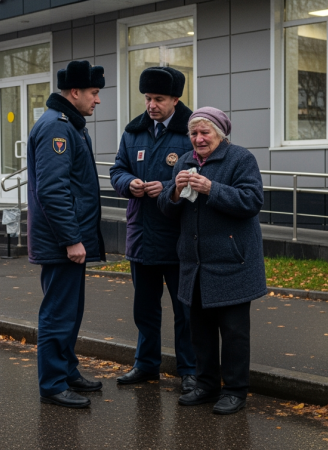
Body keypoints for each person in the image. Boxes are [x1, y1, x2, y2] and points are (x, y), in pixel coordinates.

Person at [157, 107, 266, 415]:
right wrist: (176, 190)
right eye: (194, 133)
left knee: (233, 332)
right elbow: (166, 206)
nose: (199, 139)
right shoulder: (185, 161)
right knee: (200, 331)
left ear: (220, 134)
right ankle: (206, 385)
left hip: (232, 263)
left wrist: (211, 188)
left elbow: (252, 201)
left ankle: (234, 390)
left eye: (205, 132)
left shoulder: (240, 159)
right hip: (195, 264)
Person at [109, 66, 197, 393]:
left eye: (158, 99)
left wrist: (168, 186)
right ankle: (146, 365)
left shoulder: (191, 133)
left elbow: (198, 174)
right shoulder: (133, 132)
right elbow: (117, 168)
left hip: (177, 238)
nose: (151, 105)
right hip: (142, 237)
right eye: (147, 98)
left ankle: (190, 370)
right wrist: (127, 183)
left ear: (176, 98)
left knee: (184, 310)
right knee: (144, 309)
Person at [27, 60, 106, 409]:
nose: (97, 100)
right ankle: (53, 383)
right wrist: (72, 239)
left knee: (70, 313)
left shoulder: (71, 124)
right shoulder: (57, 128)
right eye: (93, 93)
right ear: (74, 92)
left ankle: (67, 371)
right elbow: (53, 191)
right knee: (58, 314)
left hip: (69, 239)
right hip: (62, 242)